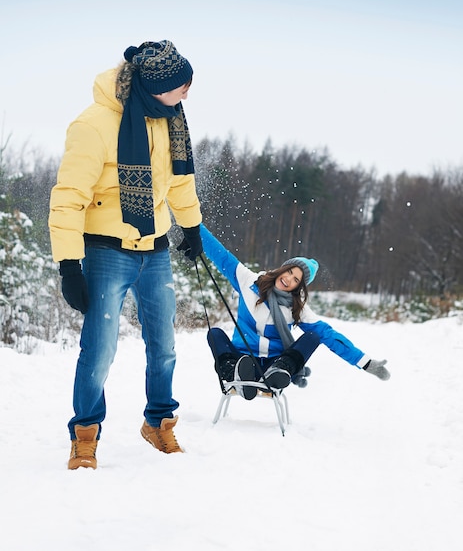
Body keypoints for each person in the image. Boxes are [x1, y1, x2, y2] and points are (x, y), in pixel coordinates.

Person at [49, 40, 203, 470]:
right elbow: (68, 198)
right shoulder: (94, 124)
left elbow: (178, 181)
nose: (187, 94)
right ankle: (85, 434)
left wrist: (191, 227)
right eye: (182, 86)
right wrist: (68, 264)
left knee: (165, 344)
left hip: (154, 250)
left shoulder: (168, 120)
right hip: (105, 251)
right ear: (155, 87)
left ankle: (159, 423)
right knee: (99, 350)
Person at [199, 224, 390, 400]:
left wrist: (365, 362)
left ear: (299, 287)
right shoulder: (247, 281)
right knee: (215, 334)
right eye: (290, 272)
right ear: (282, 269)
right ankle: (236, 375)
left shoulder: (296, 308)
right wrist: (191, 224)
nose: (289, 279)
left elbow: (330, 336)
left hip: (274, 363)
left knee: (314, 336)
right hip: (242, 360)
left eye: (296, 280)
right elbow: (220, 254)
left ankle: (279, 372)